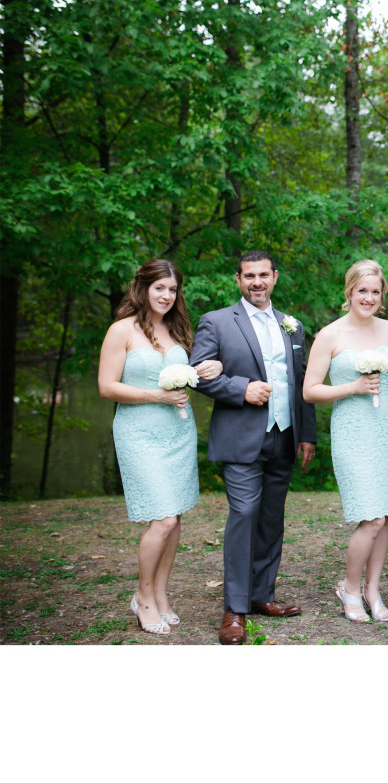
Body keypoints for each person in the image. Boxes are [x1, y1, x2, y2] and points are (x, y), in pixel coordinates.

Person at [191, 250, 318, 646]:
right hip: (241, 436)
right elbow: (197, 375)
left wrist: (306, 433)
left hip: (283, 434)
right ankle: (234, 609)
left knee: (270, 518)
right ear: (238, 279)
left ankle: (262, 595)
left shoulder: (292, 326)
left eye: (264, 275)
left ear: (275, 278)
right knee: (244, 513)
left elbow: (301, 382)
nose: (257, 282)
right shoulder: (216, 322)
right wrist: (240, 388)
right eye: (249, 276)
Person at [97, 259, 223, 636]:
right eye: (160, 288)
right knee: (163, 518)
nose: (167, 295)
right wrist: (154, 395)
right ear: (143, 288)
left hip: (178, 430)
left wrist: (210, 370)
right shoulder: (122, 331)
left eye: (172, 289)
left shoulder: (177, 330)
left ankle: (162, 596)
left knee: (175, 517)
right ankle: (143, 596)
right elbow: (106, 387)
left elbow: (191, 376)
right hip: (139, 431)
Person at [302, 260, 388, 623]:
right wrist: (352, 386)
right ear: (349, 291)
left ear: (382, 297)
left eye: (375, 292)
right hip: (352, 430)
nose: (368, 297)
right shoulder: (329, 335)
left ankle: (373, 590)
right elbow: (310, 390)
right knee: (371, 517)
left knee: (386, 512)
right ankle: (349, 588)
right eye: (362, 290)